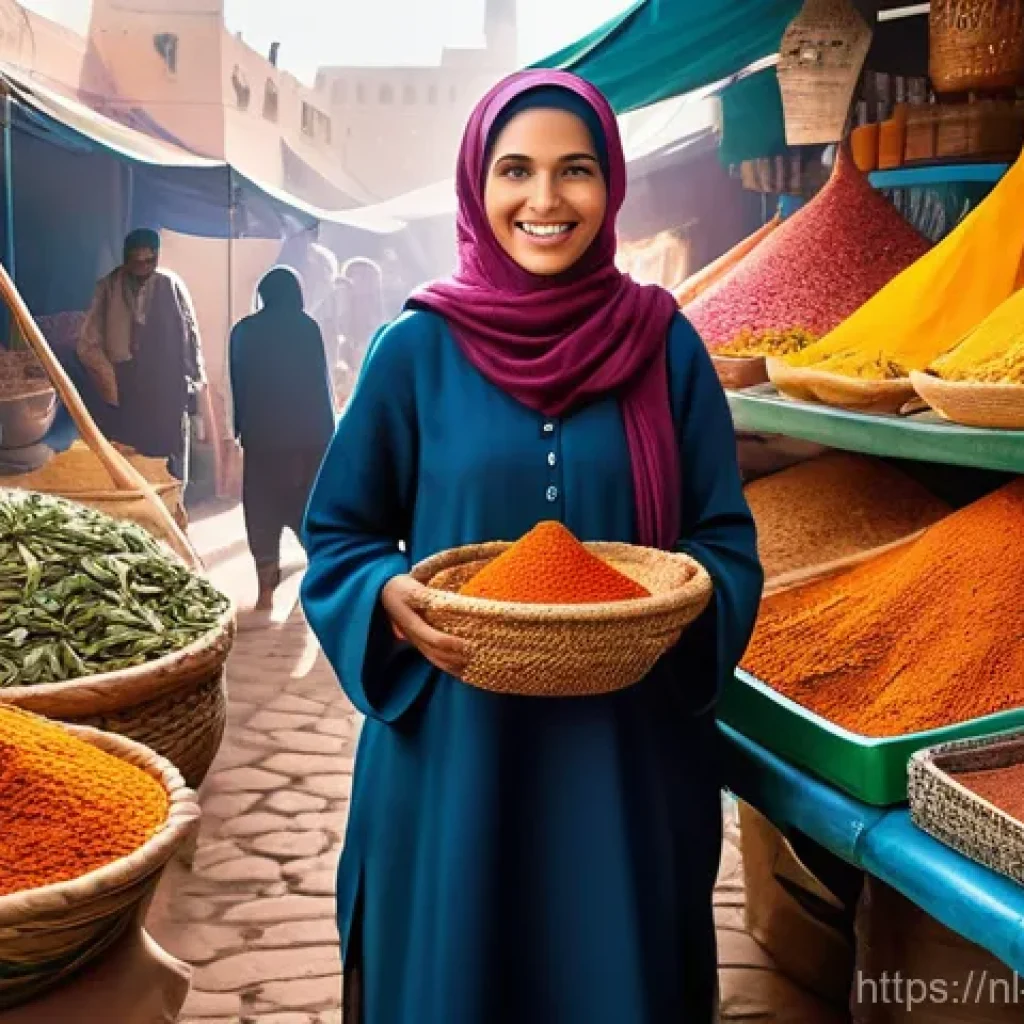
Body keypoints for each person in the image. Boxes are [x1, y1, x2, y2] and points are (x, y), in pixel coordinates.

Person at [301, 69, 763, 1024]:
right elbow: (341, 537)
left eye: (576, 170)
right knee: (455, 979)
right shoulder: (414, 351)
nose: (545, 200)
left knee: (614, 979)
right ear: (477, 185)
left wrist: (676, 599)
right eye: (516, 170)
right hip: (455, 755)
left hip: (624, 756)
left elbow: (724, 540)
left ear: (611, 185)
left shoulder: (665, 349)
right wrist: (385, 592)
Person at [229, 266, 335, 610]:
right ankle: (320, 583)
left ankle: (265, 589)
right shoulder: (308, 328)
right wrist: (328, 435)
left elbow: (238, 384)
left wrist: (240, 430)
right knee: (308, 512)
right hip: (308, 442)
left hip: (262, 441)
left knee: (262, 510)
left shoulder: (243, 331)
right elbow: (320, 385)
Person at [77, 228, 205, 482]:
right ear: (126, 259)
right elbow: (87, 343)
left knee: (172, 462)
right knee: (132, 461)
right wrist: (109, 382)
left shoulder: (171, 284)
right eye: (136, 262)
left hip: (168, 387)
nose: (143, 269)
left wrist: (194, 385)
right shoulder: (108, 287)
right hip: (127, 386)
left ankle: (172, 513)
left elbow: (190, 336)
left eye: (149, 261)